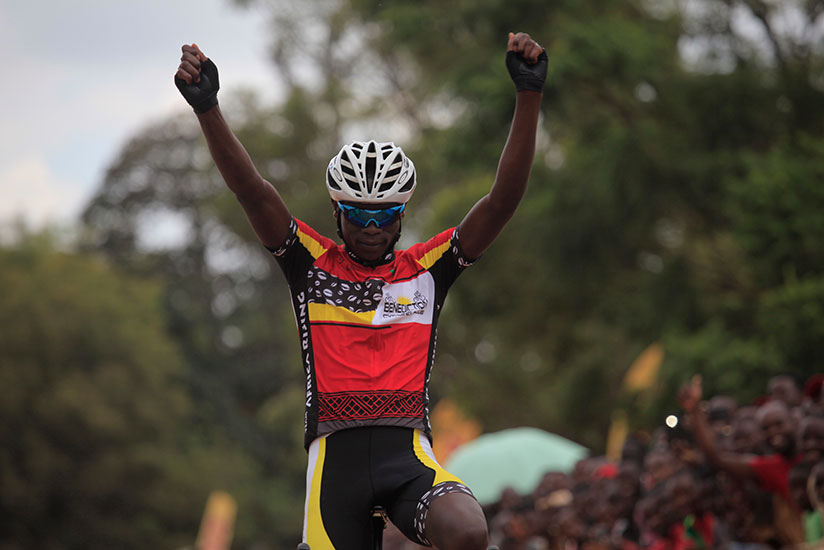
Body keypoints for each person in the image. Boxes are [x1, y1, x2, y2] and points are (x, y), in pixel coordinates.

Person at [174, 32, 547, 550]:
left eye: (385, 215)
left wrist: (529, 95)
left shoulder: (427, 269)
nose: (371, 227)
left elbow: (501, 201)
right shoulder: (308, 262)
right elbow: (252, 191)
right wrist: (208, 109)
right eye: (357, 214)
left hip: (408, 455)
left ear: (402, 217)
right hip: (335, 464)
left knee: (467, 529)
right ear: (336, 212)